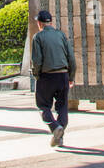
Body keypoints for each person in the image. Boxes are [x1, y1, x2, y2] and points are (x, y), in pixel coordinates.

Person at [30, 9, 75, 147]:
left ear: (39, 23)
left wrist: (36, 75)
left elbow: (37, 61)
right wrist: (71, 76)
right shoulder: (61, 35)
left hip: (47, 76)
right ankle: (59, 136)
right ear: (50, 22)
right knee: (62, 106)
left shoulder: (38, 37)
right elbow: (71, 58)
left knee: (43, 106)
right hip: (63, 75)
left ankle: (55, 128)